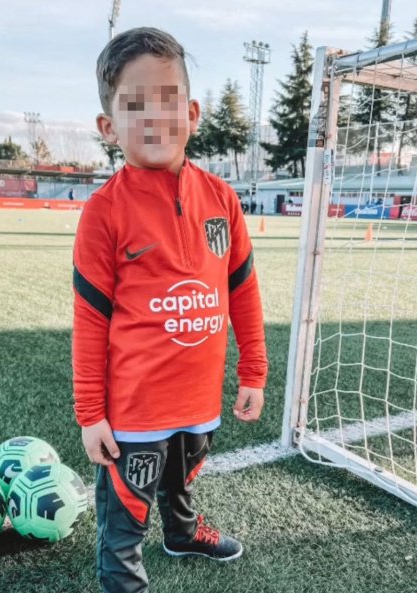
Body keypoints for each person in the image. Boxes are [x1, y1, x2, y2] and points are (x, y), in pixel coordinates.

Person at [72, 27, 268, 593]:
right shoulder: (104, 213)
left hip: (198, 397)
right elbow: (89, 319)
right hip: (134, 408)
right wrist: (91, 412)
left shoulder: (222, 199)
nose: (154, 117)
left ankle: (181, 530)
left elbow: (242, 291)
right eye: (135, 105)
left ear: (193, 111)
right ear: (109, 128)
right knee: (126, 511)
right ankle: (123, 579)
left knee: (183, 477)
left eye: (167, 99)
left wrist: (252, 369)